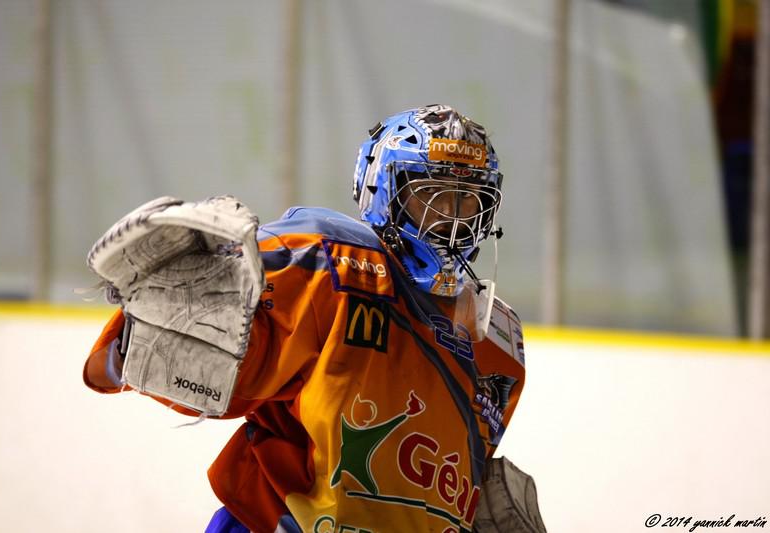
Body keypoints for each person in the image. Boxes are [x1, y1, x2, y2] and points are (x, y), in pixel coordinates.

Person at [83, 104, 546, 532]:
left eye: (468, 200)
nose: (452, 219)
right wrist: (138, 339)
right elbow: (209, 367)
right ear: (382, 190)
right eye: (431, 195)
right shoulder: (331, 261)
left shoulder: (499, 347)